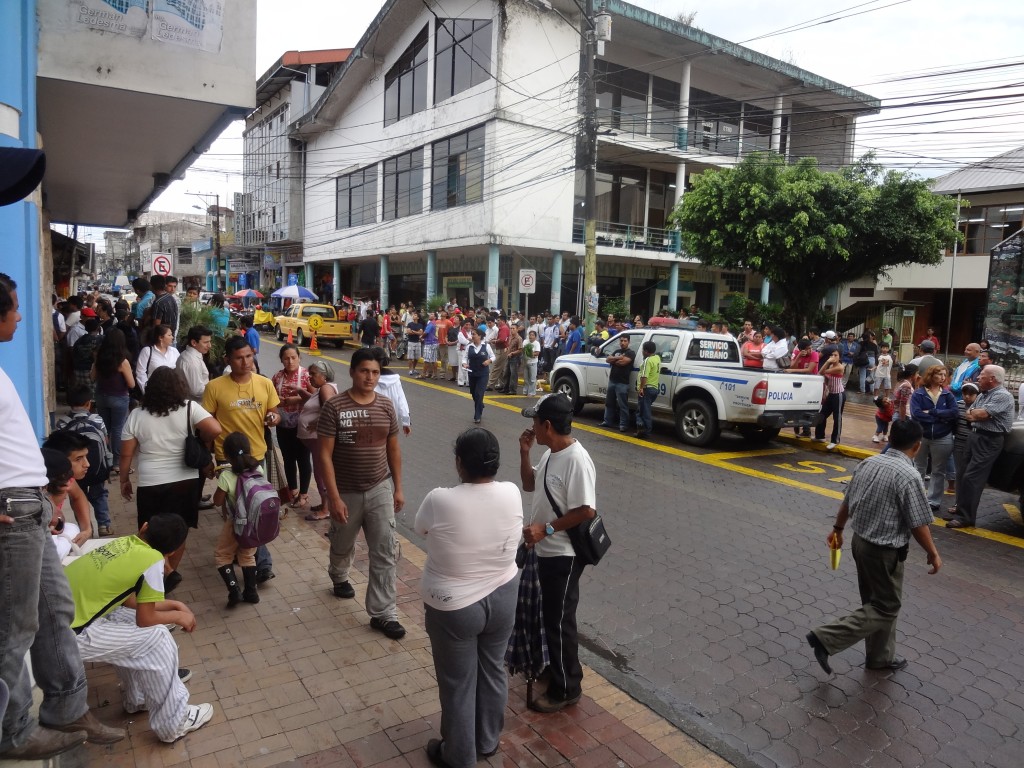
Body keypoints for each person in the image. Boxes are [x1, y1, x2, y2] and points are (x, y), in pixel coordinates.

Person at [0, 272, 124, 760]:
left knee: (54, 613)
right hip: (11, 511)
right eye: (13, 306)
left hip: (29, 508)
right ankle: (11, 731)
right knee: (15, 629)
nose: (21, 315)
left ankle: (67, 707)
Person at [415, 428, 522, 768]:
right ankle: (486, 741)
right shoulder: (511, 492)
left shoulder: (440, 499)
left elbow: (421, 529)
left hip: (454, 605)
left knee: (458, 683)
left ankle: (458, 757)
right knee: (493, 671)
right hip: (504, 594)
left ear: (459, 463)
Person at [64, 514, 215, 742]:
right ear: (172, 552)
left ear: (143, 528)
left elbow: (127, 600)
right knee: (157, 638)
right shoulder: (153, 559)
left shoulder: (123, 542)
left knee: (126, 619)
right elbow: (146, 619)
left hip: (58, 620)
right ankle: (174, 723)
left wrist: (175, 604)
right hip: (68, 634)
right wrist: (178, 617)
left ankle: (137, 698)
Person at [807, 420, 941, 675]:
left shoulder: (868, 463)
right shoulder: (909, 475)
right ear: (917, 445)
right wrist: (933, 553)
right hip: (884, 552)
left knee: (876, 603)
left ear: (890, 438)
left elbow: (847, 501)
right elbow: (918, 523)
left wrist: (838, 529)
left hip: (861, 543)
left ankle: (880, 657)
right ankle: (825, 638)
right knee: (886, 607)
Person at [317, 348, 406, 639]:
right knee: (342, 542)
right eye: (365, 371)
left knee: (384, 550)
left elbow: (393, 449)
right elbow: (324, 455)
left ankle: (384, 613)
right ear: (352, 372)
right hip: (346, 490)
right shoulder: (335, 407)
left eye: (375, 372)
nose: (370, 377)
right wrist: (334, 497)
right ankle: (339, 573)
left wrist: (398, 487)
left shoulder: (386, 406)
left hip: (379, 487)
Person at [518, 394, 597, 713]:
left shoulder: (576, 459)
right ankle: (554, 669)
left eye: (534, 422)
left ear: (547, 425)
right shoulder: (552, 453)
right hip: (545, 551)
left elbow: (586, 511)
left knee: (559, 620)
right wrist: (524, 454)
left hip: (563, 554)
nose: (532, 428)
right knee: (549, 616)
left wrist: (545, 530)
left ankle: (567, 687)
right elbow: (529, 484)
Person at [120, 367, 221, 592]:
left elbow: (126, 453)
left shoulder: (137, 415)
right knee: (178, 530)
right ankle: (168, 574)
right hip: (184, 482)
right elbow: (215, 429)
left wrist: (124, 479)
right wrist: (202, 440)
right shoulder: (189, 409)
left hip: (150, 483)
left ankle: (159, 573)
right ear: (179, 387)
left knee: (150, 531)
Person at [202, 336, 282, 583]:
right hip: (226, 461)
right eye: (239, 357)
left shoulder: (265, 383)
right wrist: (208, 458)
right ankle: (251, 557)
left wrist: (273, 419)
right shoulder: (214, 387)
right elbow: (207, 426)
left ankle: (258, 561)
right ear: (228, 359)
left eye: (248, 356)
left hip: (256, 457)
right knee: (239, 511)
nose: (245, 362)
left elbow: (274, 412)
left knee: (253, 507)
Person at [946, 365, 1016, 529]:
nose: (978, 378)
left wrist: (977, 414)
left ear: (992, 379)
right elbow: (969, 413)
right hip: (975, 436)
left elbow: (978, 414)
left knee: (972, 477)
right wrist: (977, 414)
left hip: (989, 440)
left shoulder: (1002, 396)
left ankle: (966, 517)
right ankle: (961, 512)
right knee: (963, 475)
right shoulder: (984, 395)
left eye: (982, 375)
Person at [213, 432, 264, 607]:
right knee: (248, 555)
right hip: (254, 522)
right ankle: (251, 592)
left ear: (226, 455)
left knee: (223, 555)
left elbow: (217, 501)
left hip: (235, 523)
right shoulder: (258, 469)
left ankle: (234, 591)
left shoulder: (226, 476)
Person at [56, 386, 115, 536]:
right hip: (97, 469)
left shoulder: (63, 423)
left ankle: (85, 527)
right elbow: (106, 440)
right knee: (100, 495)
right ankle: (104, 525)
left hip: (73, 471)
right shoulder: (97, 419)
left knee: (76, 498)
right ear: (89, 403)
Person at [909, 366, 957, 512]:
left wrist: (932, 412)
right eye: (939, 374)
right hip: (922, 435)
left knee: (938, 470)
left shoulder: (948, 395)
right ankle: (916, 497)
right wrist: (940, 418)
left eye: (945, 374)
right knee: (919, 467)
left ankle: (933, 501)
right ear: (931, 376)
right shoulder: (919, 394)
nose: (943, 377)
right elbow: (916, 413)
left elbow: (954, 412)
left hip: (942, 437)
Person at [272, 344, 313, 510]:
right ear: (281, 360)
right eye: (286, 358)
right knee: (288, 459)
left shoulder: (307, 375)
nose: (290, 361)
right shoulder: (277, 377)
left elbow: (316, 397)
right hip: (283, 424)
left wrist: (297, 399)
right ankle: (293, 490)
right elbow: (271, 397)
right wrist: (278, 400)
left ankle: (304, 493)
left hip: (302, 425)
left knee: (303, 459)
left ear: (299, 358)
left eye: (293, 357)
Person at [297, 360, 338, 521]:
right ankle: (324, 504)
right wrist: (301, 392)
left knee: (321, 473)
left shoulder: (326, 388)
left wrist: (318, 422)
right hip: (315, 440)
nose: (310, 377)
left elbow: (330, 408)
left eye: (313, 374)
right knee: (320, 472)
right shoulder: (322, 389)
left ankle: (326, 509)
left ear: (324, 375)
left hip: (318, 440)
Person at [371, 347, 412, 436]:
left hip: (372, 423)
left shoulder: (369, 380)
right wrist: (406, 422)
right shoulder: (395, 379)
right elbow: (402, 401)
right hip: (391, 424)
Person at [600, 334, 636, 432]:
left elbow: (623, 363)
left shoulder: (631, 353)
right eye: (621, 341)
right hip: (612, 381)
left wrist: (615, 359)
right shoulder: (617, 352)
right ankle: (607, 421)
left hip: (622, 383)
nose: (622, 343)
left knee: (622, 405)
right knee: (609, 403)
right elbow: (608, 359)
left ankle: (623, 425)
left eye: (625, 341)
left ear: (629, 342)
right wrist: (619, 357)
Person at [813, 349, 846, 450]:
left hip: (838, 394)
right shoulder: (831, 366)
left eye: (835, 355)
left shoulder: (839, 367)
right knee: (822, 414)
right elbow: (825, 378)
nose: (833, 357)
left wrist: (827, 361)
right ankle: (819, 436)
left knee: (837, 418)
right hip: (831, 394)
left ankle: (835, 440)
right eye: (832, 355)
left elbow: (821, 372)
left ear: (839, 357)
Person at [135, 323, 180, 394]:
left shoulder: (174, 351)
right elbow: (140, 373)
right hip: (154, 392)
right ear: (160, 337)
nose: (172, 337)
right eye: (169, 335)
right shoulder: (147, 351)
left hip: (172, 392)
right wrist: (146, 390)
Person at [176, 325, 212, 402]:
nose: (210, 346)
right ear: (194, 342)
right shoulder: (191, 362)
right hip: (195, 406)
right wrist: (215, 388)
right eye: (206, 342)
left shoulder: (189, 355)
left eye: (209, 341)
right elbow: (197, 390)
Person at [465, 328, 495, 424]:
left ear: (480, 336)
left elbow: (493, 356)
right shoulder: (469, 347)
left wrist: (489, 361)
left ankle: (477, 415)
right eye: (472, 334)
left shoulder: (486, 346)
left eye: (474, 334)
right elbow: (464, 358)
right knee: (473, 393)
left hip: (483, 374)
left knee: (479, 393)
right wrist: (464, 364)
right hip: (472, 373)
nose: (472, 336)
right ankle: (480, 404)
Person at [635, 340, 661, 439]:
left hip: (647, 388)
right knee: (644, 410)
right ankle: (642, 429)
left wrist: (641, 388)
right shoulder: (657, 358)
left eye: (642, 350)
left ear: (646, 351)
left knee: (643, 411)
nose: (642, 352)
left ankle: (645, 431)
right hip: (654, 388)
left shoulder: (647, 361)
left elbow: (644, 376)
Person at [406, 311, 424, 377]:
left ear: (418, 317)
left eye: (415, 315)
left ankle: (414, 368)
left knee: (416, 357)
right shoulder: (410, 324)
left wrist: (413, 331)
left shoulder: (420, 325)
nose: (414, 316)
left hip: (418, 342)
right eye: (413, 315)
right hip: (411, 341)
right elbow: (408, 332)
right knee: (410, 357)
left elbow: (421, 333)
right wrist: (417, 332)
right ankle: (410, 369)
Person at [522, 329, 540, 396]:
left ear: (535, 337)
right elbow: (523, 350)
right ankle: (525, 391)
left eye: (532, 335)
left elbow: (537, 353)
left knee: (532, 379)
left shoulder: (537, 343)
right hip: (526, 362)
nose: (531, 336)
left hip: (533, 362)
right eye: (530, 335)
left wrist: (531, 354)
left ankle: (532, 392)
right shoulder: (525, 342)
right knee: (526, 378)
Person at [422, 313, 440, 379]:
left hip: (429, 342)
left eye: (432, 314)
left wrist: (421, 337)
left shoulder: (431, 324)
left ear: (435, 317)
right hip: (435, 342)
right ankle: (434, 374)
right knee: (434, 359)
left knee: (426, 359)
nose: (429, 315)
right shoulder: (436, 324)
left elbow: (426, 332)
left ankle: (423, 374)